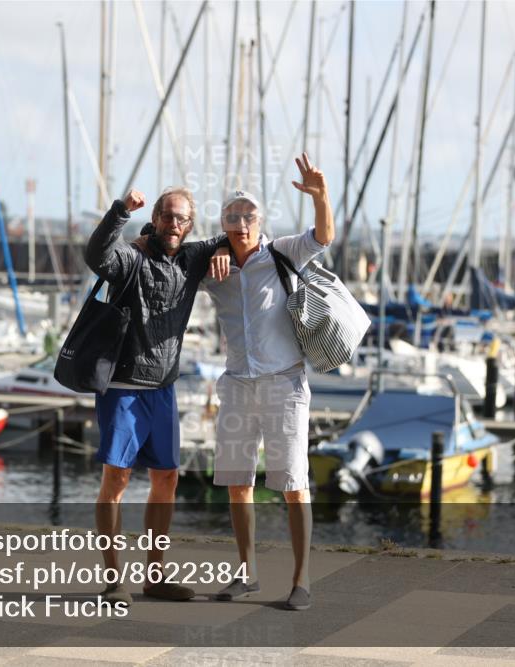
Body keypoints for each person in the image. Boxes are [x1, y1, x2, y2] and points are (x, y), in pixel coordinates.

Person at [83, 187, 229, 606]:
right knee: (118, 479)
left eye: (182, 219)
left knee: (167, 477)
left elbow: (240, 239)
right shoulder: (132, 256)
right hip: (124, 389)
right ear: (157, 218)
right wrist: (118, 211)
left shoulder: (191, 257)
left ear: (190, 224)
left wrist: (220, 245)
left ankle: (155, 576)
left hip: (163, 389)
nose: (174, 225)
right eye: (168, 217)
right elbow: (97, 256)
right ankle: (114, 579)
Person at [203, 153, 334, 611]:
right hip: (237, 384)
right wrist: (214, 248)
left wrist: (320, 196)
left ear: (260, 222)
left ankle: (301, 581)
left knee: (294, 482)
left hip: (284, 382)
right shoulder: (213, 263)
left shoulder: (281, 251)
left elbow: (323, 237)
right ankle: (247, 574)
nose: (241, 223)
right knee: (238, 482)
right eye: (232, 217)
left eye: (249, 216)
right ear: (222, 223)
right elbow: (165, 249)